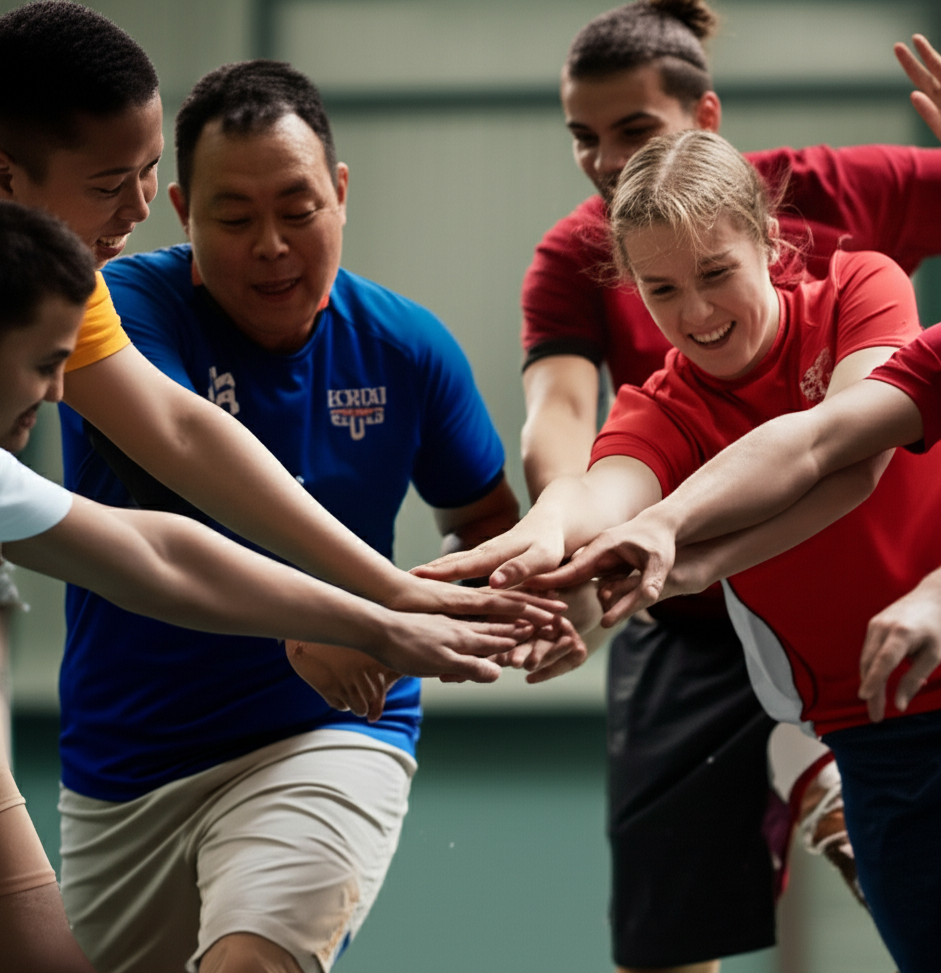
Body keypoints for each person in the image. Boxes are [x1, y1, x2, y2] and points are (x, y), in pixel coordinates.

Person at [417, 126, 941, 973]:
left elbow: (850, 457)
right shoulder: (660, 408)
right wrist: (538, 539)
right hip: (876, 726)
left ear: (769, 242)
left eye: (715, 273)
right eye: (661, 290)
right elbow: (600, 493)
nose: (696, 312)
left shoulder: (861, 287)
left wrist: (684, 547)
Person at [48, 58, 571, 973]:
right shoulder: (115, 312)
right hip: (127, 759)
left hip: (329, 734)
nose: (272, 246)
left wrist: (528, 600)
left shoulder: (406, 346)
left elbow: (487, 525)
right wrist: (353, 608)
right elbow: (182, 463)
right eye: (233, 217)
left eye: (298, 209)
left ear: (341, 190)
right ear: (181, 213)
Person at [0, 1, 557, 649]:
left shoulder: (405, 338)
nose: (139, 206)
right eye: (108, 185)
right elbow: (158, 530)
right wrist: (370, 613)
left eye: (149, 169)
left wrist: (389, 595)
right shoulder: (131, 293)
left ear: (340, 193)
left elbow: (180, 439)